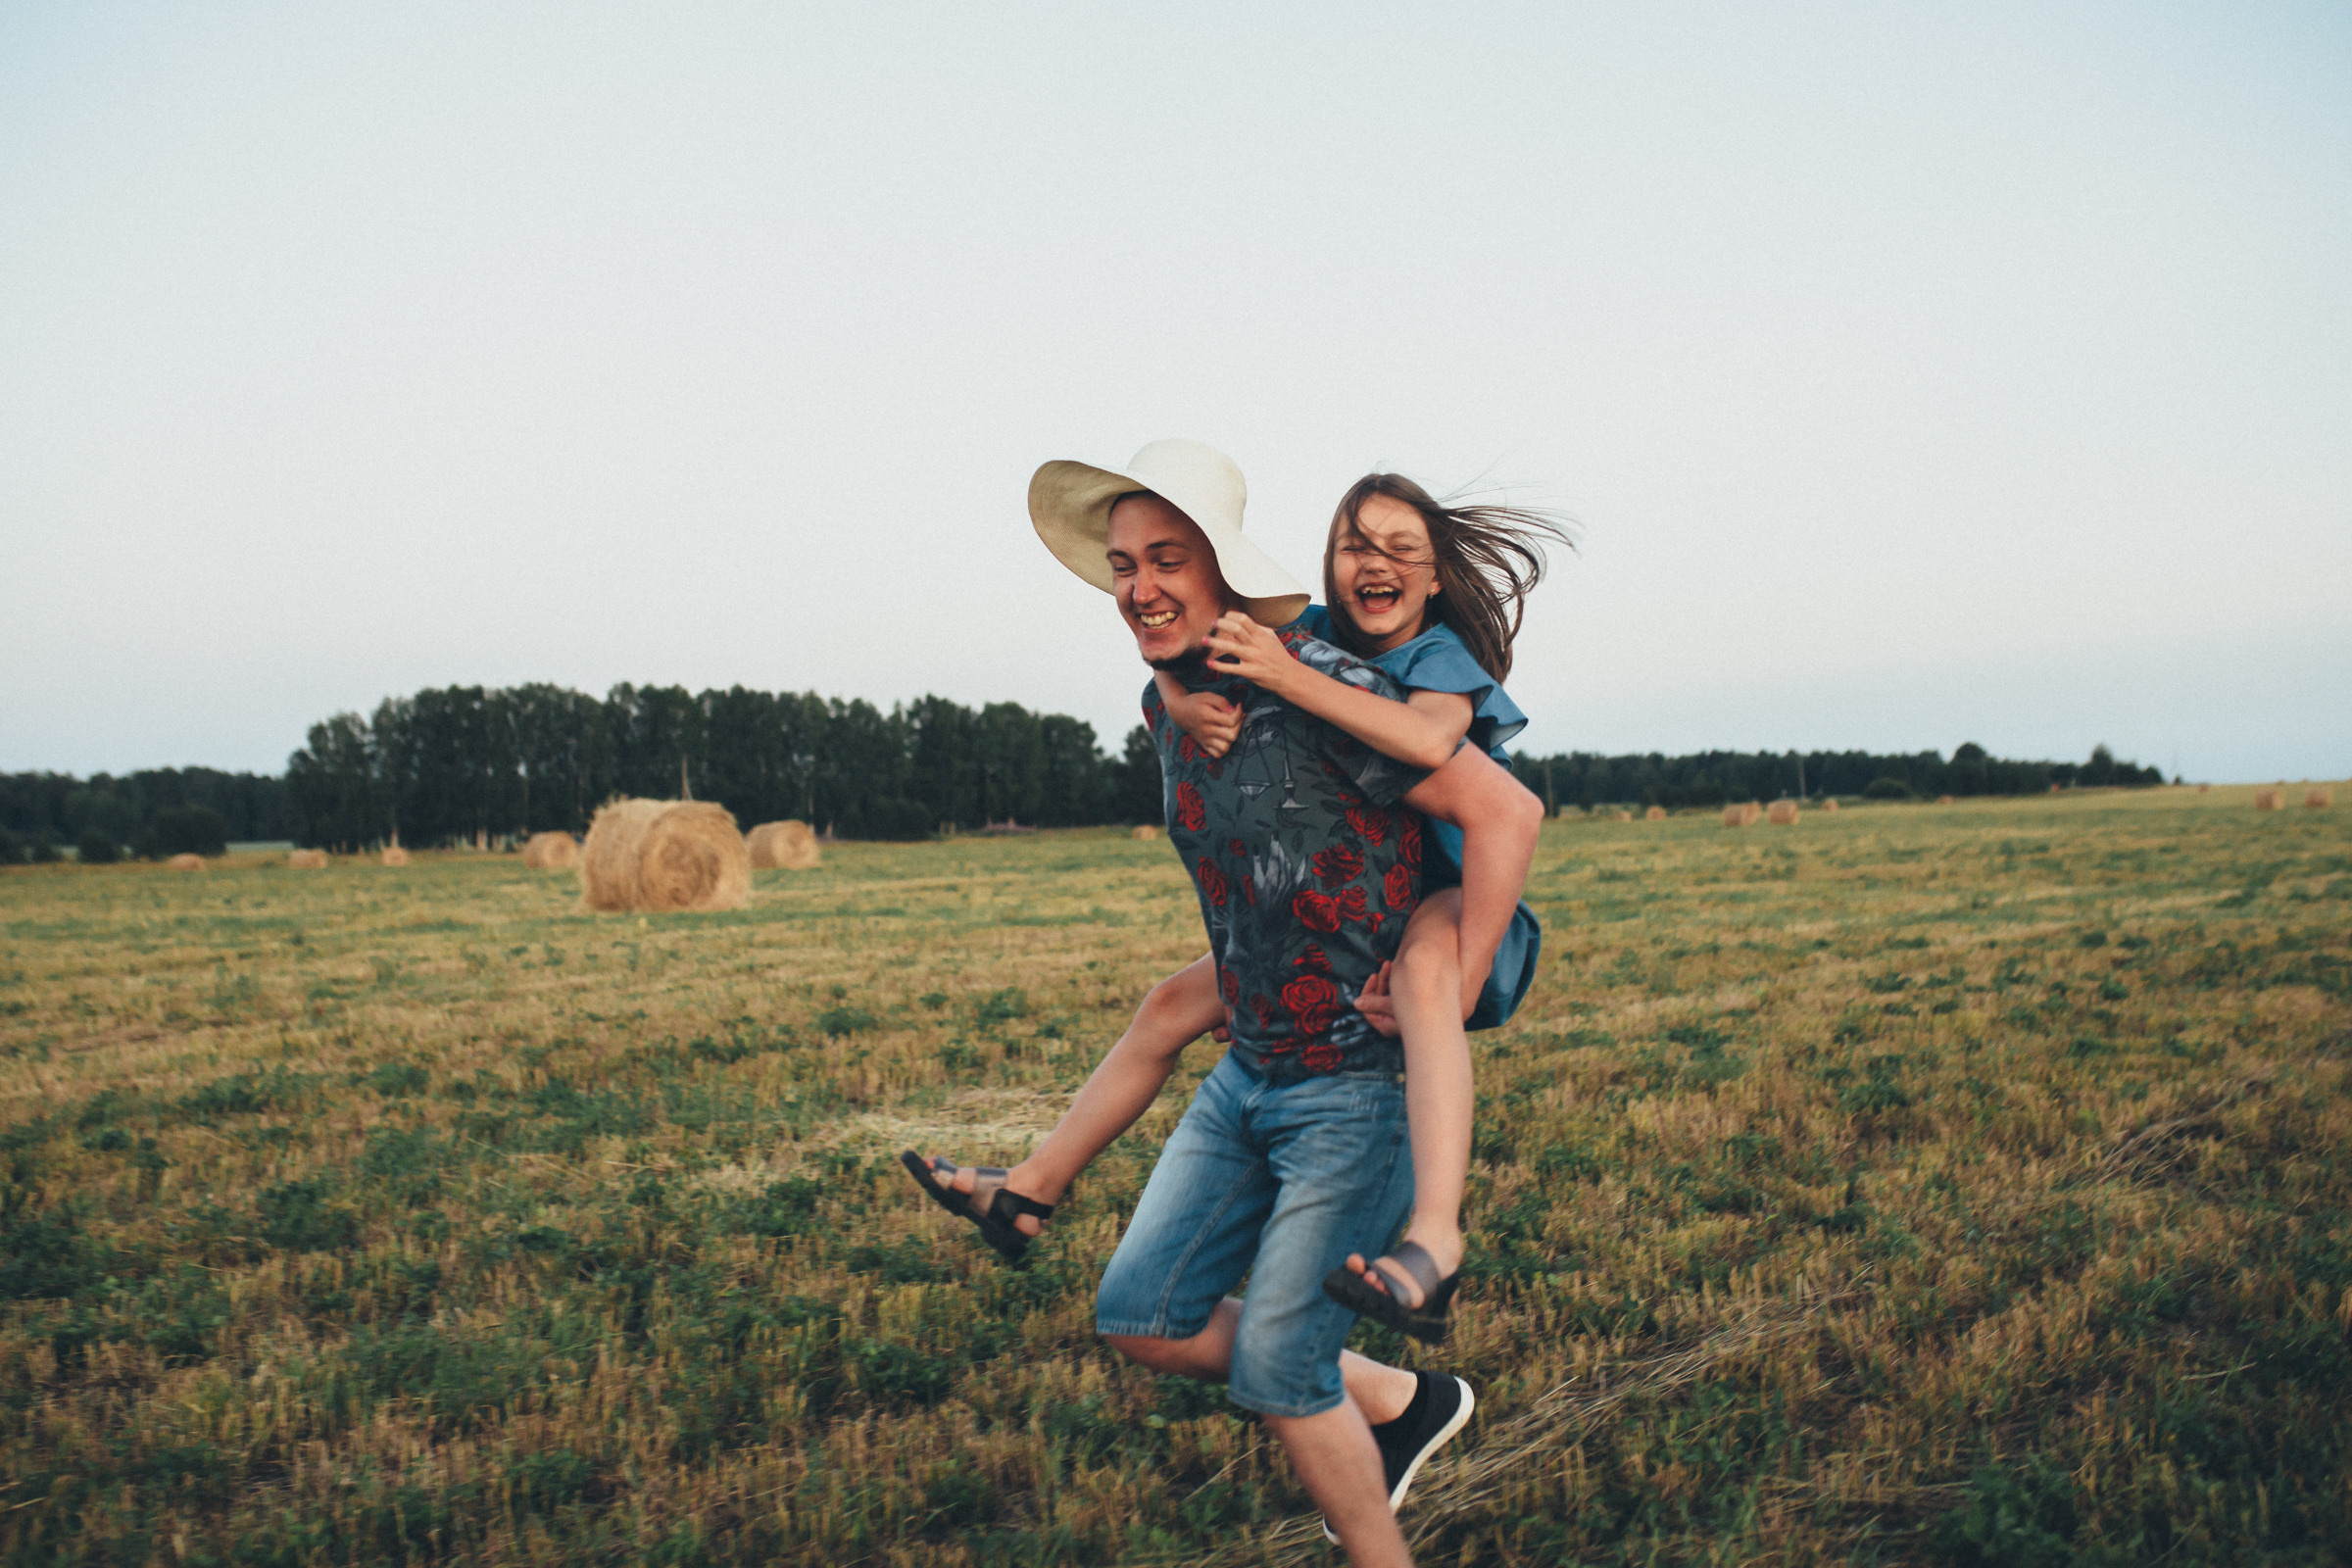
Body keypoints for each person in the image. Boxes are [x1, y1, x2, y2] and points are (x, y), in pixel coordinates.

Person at [906, 441, 1544, 1564]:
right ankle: (1400, 1403)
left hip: (1355, 1085)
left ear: (1221, 569)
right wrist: (1172, 684)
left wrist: (1443, 975)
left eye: (1166, 560)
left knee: (1278, 1370)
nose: (1140, 587)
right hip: (1247, 1070)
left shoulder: (1328, 687)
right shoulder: (1168, 709)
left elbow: (1502, 810)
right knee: (1142, 1318)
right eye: (1122, 566)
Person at [1155, 472, 1564, 1338]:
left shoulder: (1440, 661)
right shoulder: (1301, 637)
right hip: (1349, 912)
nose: (1373, 564)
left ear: (1434, 577)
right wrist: (1178, 701)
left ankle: (1435, 1243)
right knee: (1175, 1001)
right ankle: (1031, 1189)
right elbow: (1184, 644)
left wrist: (1468, 971)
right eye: (1354, 546)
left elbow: (1425, 742)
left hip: (1451, 899)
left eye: (1399, 549)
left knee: (1422, 984)